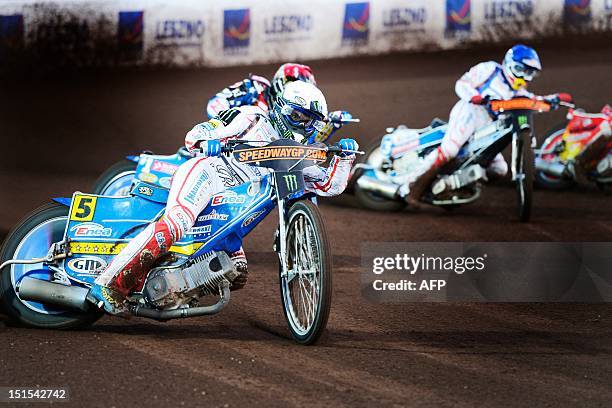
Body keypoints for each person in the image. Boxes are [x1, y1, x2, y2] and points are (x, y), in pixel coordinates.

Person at [87, 81, 358, 315]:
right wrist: (209, 140)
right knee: (176, 222)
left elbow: (329, 185)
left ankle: (171, 288)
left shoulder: (297, 154)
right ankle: (110, 284)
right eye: (299, 117)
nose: (304, 126)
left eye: (311, 122)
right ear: (282, 109)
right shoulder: (252, 118)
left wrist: (345, 158)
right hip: (208, 175)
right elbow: (200, 132)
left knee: (236, 270)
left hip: (228, 210)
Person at [403, 44, 552, 203]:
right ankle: (412, 187)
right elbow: (462, 83)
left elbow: (531, 100)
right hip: (470, 113)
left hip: (489, 126)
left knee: (499, 169)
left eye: (529, 73)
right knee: (450, 150)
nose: (523, 77)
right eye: (520, 69)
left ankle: (455, 187)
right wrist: (475, 97)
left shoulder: (518, 92)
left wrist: (554, 99)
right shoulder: (490, 69)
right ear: (508, 64)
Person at [206, 63, 317, 118]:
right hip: (230, 147)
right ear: (282, 82)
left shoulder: (295, 113)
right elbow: (216, 103)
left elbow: (307, 142)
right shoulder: (255, 88)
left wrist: (332, 125)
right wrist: (227, 123)